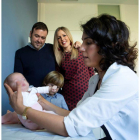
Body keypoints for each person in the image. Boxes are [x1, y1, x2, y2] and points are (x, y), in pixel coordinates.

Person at [5, 14, 138, 140]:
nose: (81, 48)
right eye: (83, 42)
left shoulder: (122, 78)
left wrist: (23, 110)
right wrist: (45, 104)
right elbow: (75, 114)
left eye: (88, 42)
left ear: (108, 46)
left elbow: (71, 125)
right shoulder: (94, 81)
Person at [14, 22, 81, 87]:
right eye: (36, 36)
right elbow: (18, 79)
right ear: (30, 34)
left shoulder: (53, 49)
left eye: (43, 38)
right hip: (32, 94)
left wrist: (77, 44)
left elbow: (66, 48)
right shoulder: (20, 53)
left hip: (53, 94)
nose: (39, 40)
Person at [53, 26, 94, 110]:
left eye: (64, 35)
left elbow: (90, 68)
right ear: (57, 41)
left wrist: (94, 86)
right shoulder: (59, 57)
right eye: (59, 37)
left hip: (86, 91)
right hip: (69, 95)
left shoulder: (79, 49)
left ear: (68, 36)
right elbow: (60, 77)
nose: (62, 39)